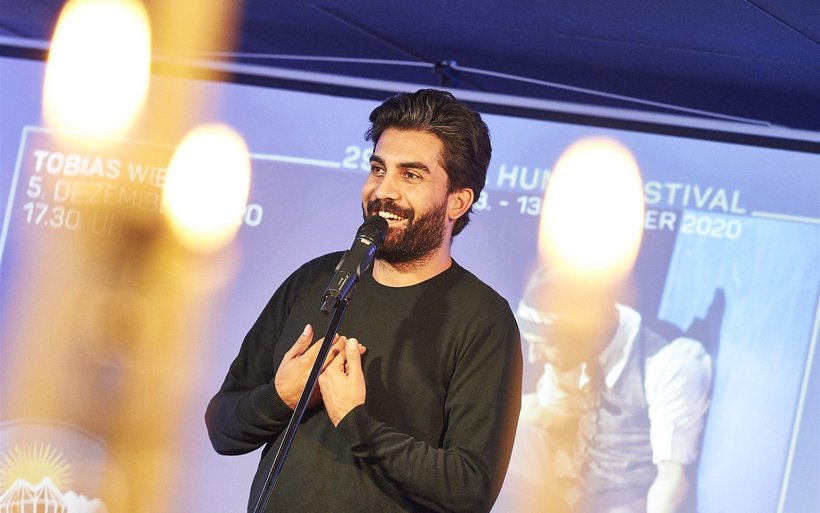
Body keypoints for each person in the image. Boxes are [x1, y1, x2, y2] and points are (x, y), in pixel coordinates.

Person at [205, 89, 523, 513]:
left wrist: (355, 421)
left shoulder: (482, 319)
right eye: (378, 169)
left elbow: (470, 489)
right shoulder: (316, 279)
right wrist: (281, 397)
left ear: (457, 201)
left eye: (411, 175)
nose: (383, 191)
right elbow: (223, 429)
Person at [508, 266, 711, 513]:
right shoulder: (577, 352)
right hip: (573, 482)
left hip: (620, 499)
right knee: (494, 438)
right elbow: (546, 410)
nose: (533, 356)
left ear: (581, 333)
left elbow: (671, 479)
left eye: (544, 344)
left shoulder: (668, 364)